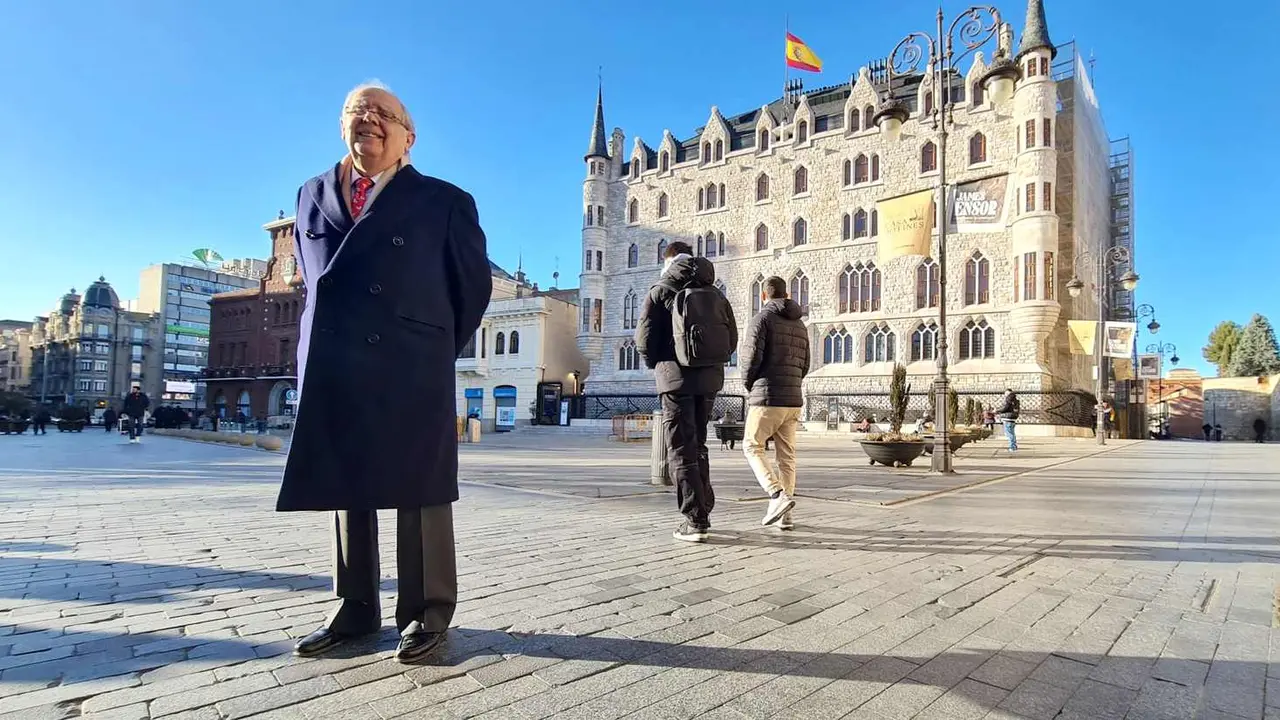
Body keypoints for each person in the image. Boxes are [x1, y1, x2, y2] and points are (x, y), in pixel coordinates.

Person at [277, 82, 491, 663]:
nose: (369, 120)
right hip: (335, 359)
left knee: (419, 490)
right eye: (356, 111)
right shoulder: (310, 192)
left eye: (384, 114)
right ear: (341, 126)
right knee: (348, 484)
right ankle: (355, 608)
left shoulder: (445, 200)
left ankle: (425, 612)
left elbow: (471, 290)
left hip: (409, 359)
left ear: (408, 137)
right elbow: (311, 273)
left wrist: (429, 342)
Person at [636, 240, 737, 543]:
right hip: (709, 381)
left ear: (667, 260)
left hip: (675, 379)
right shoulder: (716, 291)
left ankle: (696, 519)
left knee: (681, 447)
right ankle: (703, 506)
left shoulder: (661, 289)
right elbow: (731, 337)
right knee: (699, 444)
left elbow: (644, 340)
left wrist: (657, 365)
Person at [740, 276, 810, 531]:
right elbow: (806, 364)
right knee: (787, 457)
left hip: (767, 396)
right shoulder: (800, 325)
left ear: (763, 296)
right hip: (793, 399)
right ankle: (785, 515)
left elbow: (749, 360)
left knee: (752, 445)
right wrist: (793, 384)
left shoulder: (761, 320)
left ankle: (776, 494)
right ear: (787, 294)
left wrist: (750, 386)